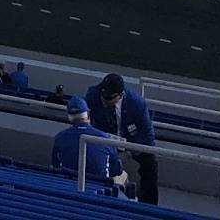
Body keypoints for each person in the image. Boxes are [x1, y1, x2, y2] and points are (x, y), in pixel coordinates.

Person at [88, 71, 158, 202]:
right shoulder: (93, 95)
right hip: (106, 139)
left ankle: (150, 205)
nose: (104, 100)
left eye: (109, 98)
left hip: (131, 142)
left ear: (120, 95)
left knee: (150, 164)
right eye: (102, 95)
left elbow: (147, 137)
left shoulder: (137, 104)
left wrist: (129, 151)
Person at [53, 94, 129, 192]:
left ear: (69, 117)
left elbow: (56, 167)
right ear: (88, 114)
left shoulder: (60, 138)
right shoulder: (105, 139)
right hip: (99, 190)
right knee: (124, 175)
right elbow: (116, 171)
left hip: (68, 189)